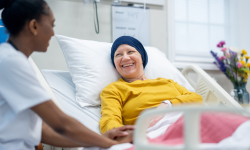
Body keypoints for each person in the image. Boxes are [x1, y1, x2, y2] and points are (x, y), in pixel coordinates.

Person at [0, 0, 134, 150]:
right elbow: (61, 123)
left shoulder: (17, 61)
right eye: (52, 25)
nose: (52, 32)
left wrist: (100, 140)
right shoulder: (11, 63)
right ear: (34, 26)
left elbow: (40, 131)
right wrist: (111, 144)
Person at [99, 36, 203, 134]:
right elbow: (109, 120)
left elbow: (197, 99)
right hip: (153, 133)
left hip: (189, 122)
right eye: (118, 54)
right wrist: (123, 136)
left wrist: (166, 105)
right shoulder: (113, 90)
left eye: (130, 51)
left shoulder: (167, 82)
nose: (125, 58)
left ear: (142, 57)